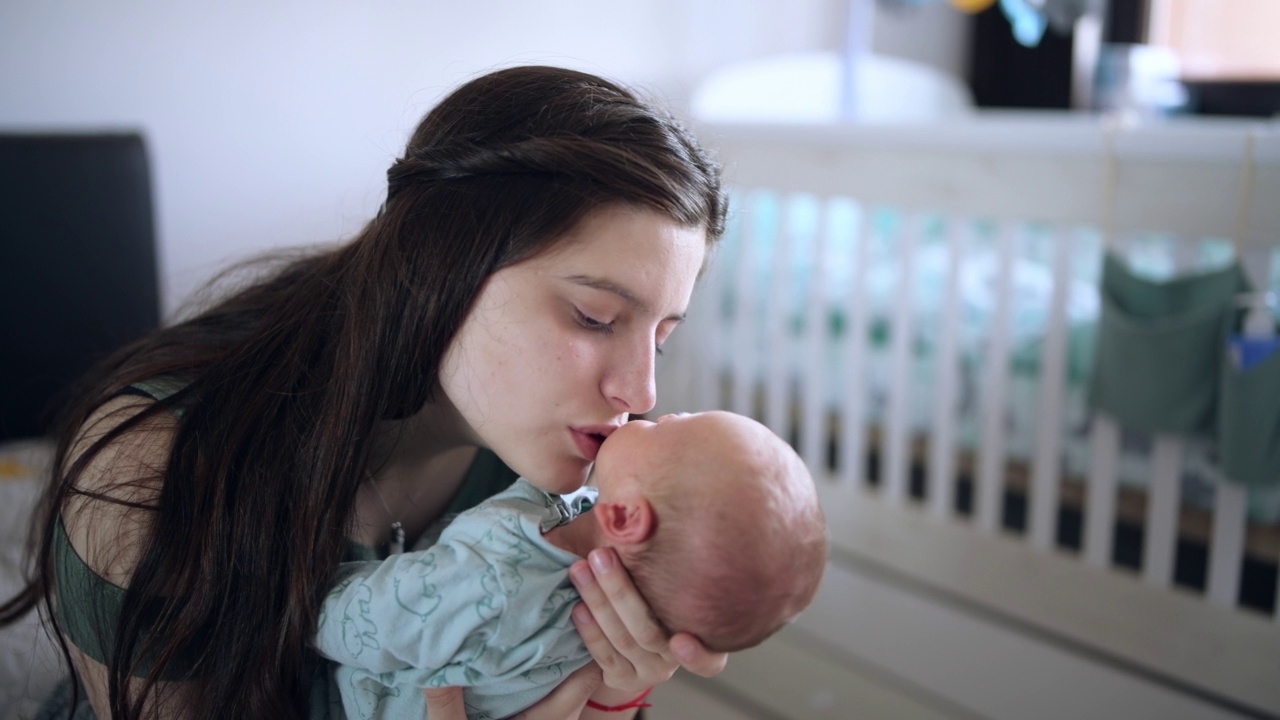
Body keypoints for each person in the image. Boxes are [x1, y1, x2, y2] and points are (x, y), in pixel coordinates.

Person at [0, 65, 730, 720]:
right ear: (442, 265)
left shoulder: (583, 486)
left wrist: (610, 700)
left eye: (661, 336)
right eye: (595, 317)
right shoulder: (156, 476)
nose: (638, 391)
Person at [317, 410, 829, 720]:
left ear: (625, 516)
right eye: (596, 318)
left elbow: (370, 620)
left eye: (672, 426)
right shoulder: (596, 603)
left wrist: (305, 601)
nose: (650, 403)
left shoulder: (498, 575)